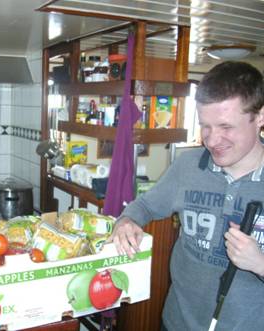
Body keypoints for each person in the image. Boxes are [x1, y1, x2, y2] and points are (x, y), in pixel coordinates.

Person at [110, 61, 264, 331]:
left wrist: (259, 264)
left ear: (260, 117)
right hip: (176, 323)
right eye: (205, 126)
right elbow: (144, 205)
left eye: (226, 126)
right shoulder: (187, 166)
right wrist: (127, 221)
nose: (212, 140)